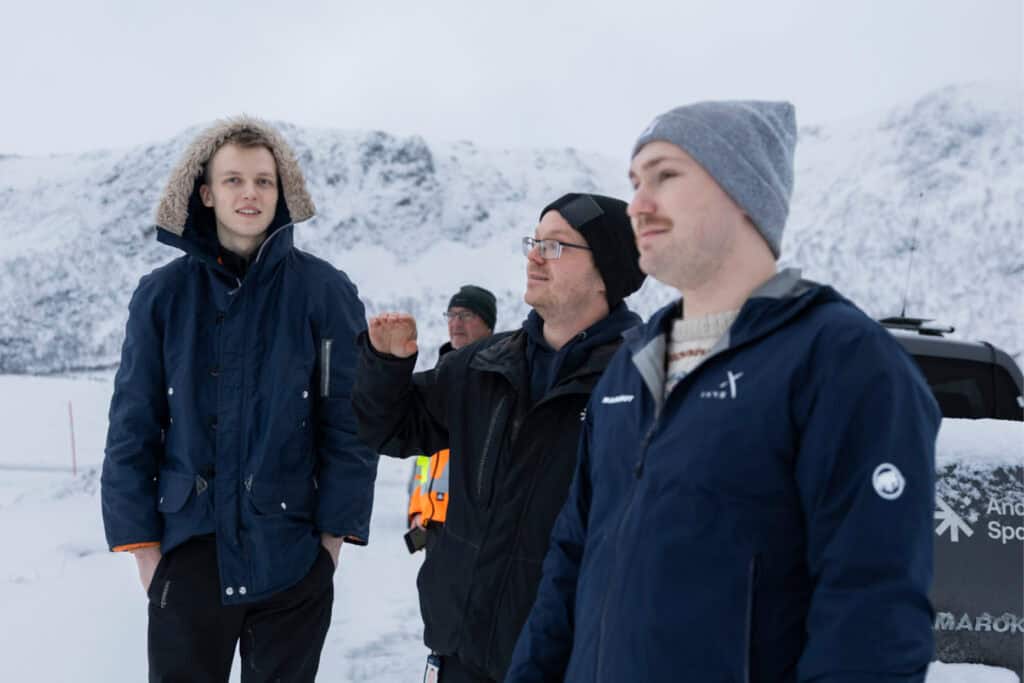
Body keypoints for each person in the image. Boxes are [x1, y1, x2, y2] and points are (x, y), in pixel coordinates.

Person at [506, 101, 942, 682]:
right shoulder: (630, 367)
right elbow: (568, 567)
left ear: (743, 191)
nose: (638, 205)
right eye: (635, 183)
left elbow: (872, 621)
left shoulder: (841, 360)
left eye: (665, 175)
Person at [100, 116, 379, 682]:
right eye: (233, 180)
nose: (250, 193)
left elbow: (349, 424)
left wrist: (330, 546)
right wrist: (146, 552)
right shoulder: (162, 296)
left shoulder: (325, 292)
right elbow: (132, 425)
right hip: (188, 554)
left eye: (263, 181)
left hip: (292, 557)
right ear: (206, 193)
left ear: (282, 193)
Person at [354, 193, 645, 683]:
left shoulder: (638, 383)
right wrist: (386, 366)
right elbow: (393, 430)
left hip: (564, 658)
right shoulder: (483, 364)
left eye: (555, 246)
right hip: (460, 648)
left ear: (605, 271)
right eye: (535, 241)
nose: (534, 257)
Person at [406, 285, 497, 549]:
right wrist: (418, 510)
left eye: (467, 315)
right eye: (452, 315)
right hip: (433, 526)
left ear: (488, 325)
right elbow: (424, 459)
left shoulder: (497, 379)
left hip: (473, 531)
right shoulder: (438, 378)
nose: (456, 323)